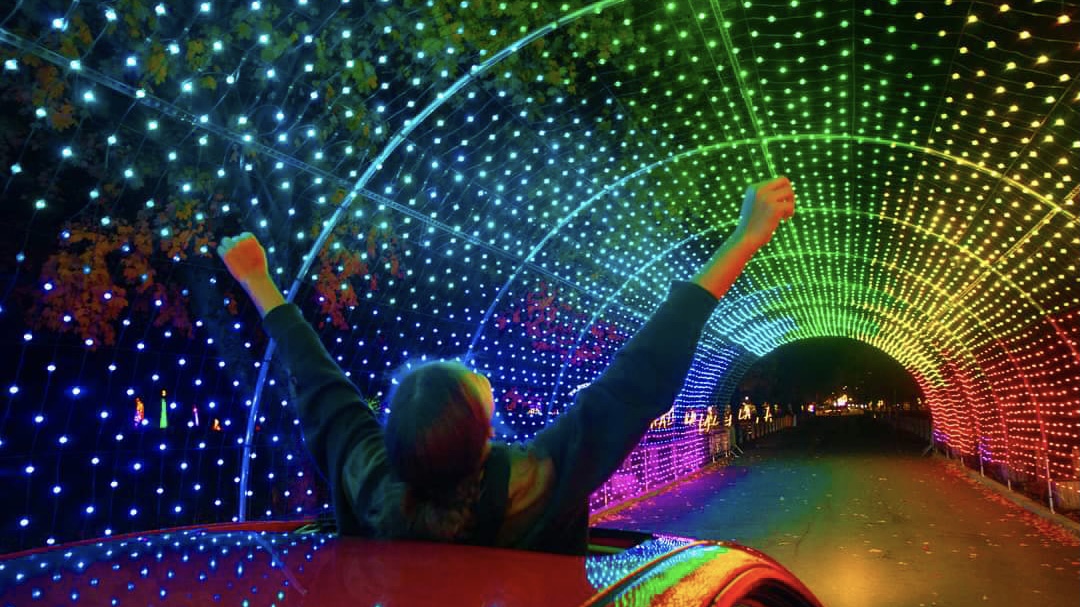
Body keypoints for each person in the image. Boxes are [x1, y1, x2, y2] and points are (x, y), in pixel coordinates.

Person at [218, 176, 796, 554]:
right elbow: (642, 372)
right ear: (484, 433)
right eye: (474, 385)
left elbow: (317, 381)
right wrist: (744, 239)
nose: (469, 367)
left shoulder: (366, 480)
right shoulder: (535, 485)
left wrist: (258, 282)